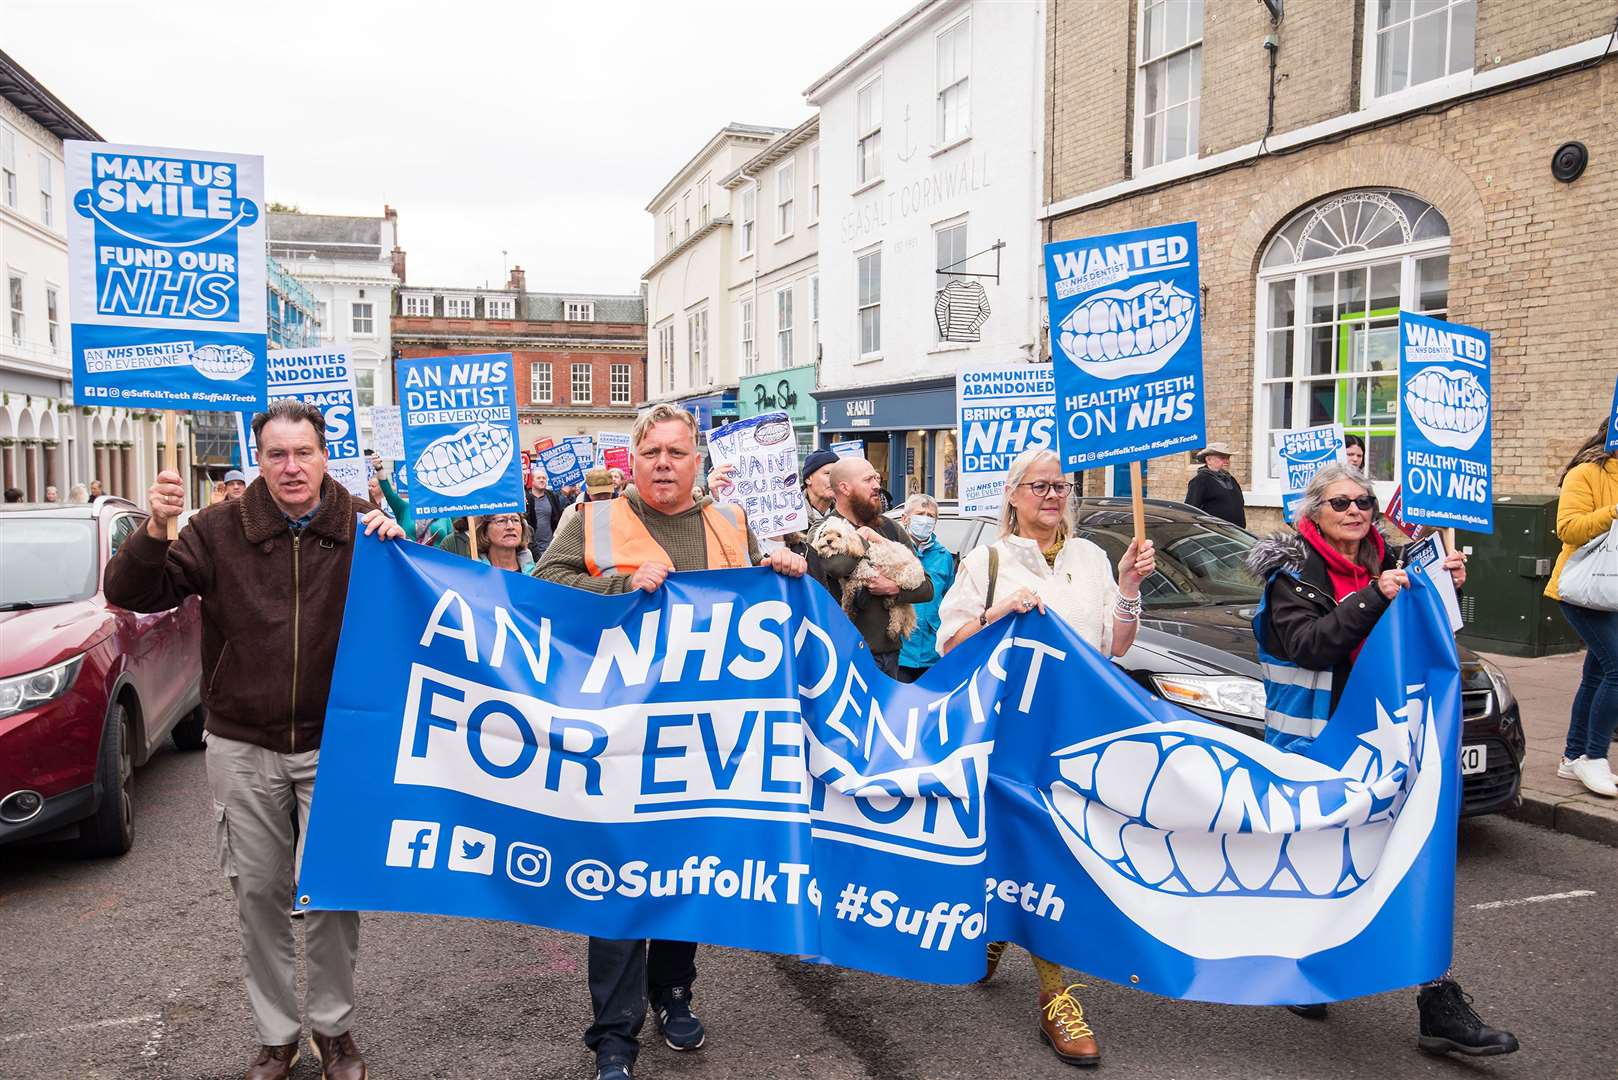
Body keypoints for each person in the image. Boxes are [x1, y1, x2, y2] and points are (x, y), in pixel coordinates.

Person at [103, 399, 404, 1080]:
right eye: (277, 454)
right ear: (258, 459)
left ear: (327, 456)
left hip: (338, 742)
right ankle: (277, 1036)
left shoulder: (363, 531)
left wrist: (399, 543)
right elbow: (132, 593)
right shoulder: (216, 529)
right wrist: (155, 527)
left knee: (330, 892)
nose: (292, 467)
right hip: (242, 741)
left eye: (304, 452)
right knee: (258, 891)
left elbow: (423, 609)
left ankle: (334, 1030)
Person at [537, 402, 806, 1080]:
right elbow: (543, 589)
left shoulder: (729, 522)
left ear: (697, 461)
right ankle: (614, 1032)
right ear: (634, 457)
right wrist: (623, 584)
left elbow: (752, 609)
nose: (664, 463)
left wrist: (783, 576)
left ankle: (673, 992)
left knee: (685, 874)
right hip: (616, 737)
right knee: (619, 878)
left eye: (677, 452)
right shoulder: (591, 518)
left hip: (700, 738)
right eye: (652, 451)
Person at [1244, 462, 1516, 1057]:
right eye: (1340, 503)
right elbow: (1310, 645)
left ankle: (1438, 1003)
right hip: (1317, 749)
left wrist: (1447, 590)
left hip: (1391, 744)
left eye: (1364, 501)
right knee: (1325, 868)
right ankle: (1308, 966)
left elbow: (1434, 641)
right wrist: (1374, 597)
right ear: (1312, 512)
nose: (1355, 512)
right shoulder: (1290, 576)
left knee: (1415, 862)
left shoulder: (1400, 564)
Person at [934, 448, 1154, 1067]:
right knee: (1041, 850)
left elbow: (1114, 643)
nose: (1052, 495)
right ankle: (1057, 996)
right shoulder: (989, 559)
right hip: (1012, 733)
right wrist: (999, 611)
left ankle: (999, 933)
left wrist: (1131, 588)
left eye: (1061, 486)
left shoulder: (1090, 557)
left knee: (1053, 849)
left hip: (1078, 730)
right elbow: (948, 645)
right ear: (1012, 495)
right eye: (1039, 486)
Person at [808, 456, 934, 677]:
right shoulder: (824, 530)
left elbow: (926, 588)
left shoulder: (890, 528)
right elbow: (839, 566)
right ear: (845, 488)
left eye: (876, 478)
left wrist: (894, 588)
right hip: (846, 655)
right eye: (868, 480)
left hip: (891, 655)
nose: (877, 485)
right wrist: (865, 539)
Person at [1545, 418, 1618, 797]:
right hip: (1584, 588)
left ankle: (1572, 757)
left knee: (1596, 674)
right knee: (1617, 670)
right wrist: (1614, 512)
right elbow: (1568, 529)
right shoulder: (1587, 474)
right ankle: (1594, 756)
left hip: (1615, 591)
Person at [896, 493, 955, 683]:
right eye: (921, 513)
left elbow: (950, 599)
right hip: (900, 651)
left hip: (932, 652)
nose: (926, 520)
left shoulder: (944, 556)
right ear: (905, 518)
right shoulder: (894, 550)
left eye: (931, 516)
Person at [1184, 442, 1245, 527]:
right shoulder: (1200, 480)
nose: (1227, 461)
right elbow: (1190, 510)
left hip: (1236, 533)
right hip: (1214, 534)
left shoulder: (1230, 479)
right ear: (1208, 460)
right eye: (1222, 458)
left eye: (1228, 458)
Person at [474, 512, 540, 575]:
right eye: (501, 521)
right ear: (484, 531)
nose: (510, 526)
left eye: (515, 520)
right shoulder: (473, 575)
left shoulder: (538, 574)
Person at [528, 470, 563, 560]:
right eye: (538, 478)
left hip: (549, 547)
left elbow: (558, 518)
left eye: (544, 478)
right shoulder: (526, 499)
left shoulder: (552, 497)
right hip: (531, 548)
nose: (542, 480)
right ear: (532, 481)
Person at [800, 448, 838, 530]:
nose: (834, 478)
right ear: (808, 479)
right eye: (827, 473)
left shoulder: (846, 515)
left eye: (837, 474)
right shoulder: (791, 516)